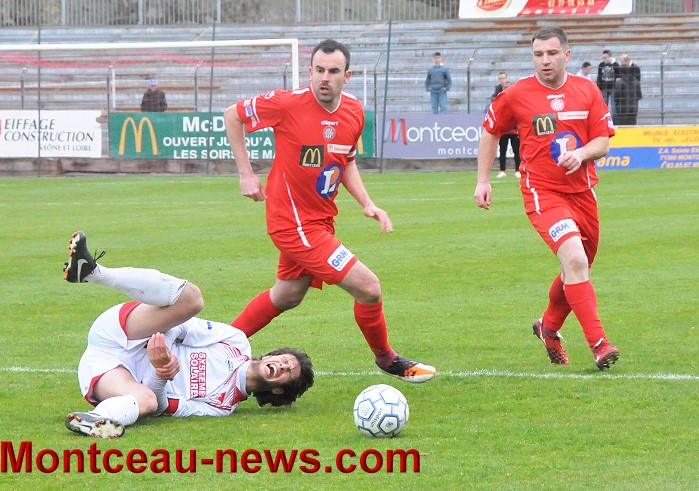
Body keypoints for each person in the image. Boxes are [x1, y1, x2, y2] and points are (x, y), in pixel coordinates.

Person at [223, 39, 435, 383]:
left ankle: (216, 346)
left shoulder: (354, 111)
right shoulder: (287, 103)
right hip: (293, 223)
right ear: (309, 71)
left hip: (320, 221)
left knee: (287, 295)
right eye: (319, 70)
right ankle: (387, 358)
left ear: (346, 76)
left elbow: (346, 161)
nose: (325, 77)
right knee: (369, 288)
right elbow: (232, 115)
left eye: (333, 71)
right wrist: (246, 174)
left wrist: (367, 203)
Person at [62, 231, 314, 438]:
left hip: (110, 373)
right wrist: (163, 349)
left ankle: (96, 420)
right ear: (270, 355)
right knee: (192, 299)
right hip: (126, 332)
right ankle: (94, 272)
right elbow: (182, 326)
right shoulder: (235, 341)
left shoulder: (221, 407)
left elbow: (162, 407)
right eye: (284, 360)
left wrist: (161, 372)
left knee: (147, 402)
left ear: (279, 390)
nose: (283, 366)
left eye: (288, 372)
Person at [474, 27, 620, 370]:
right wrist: (482, 180)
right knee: (575, 259)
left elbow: (603, 142)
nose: (545, 60)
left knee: (577, 268)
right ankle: (599, 344)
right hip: (542, 192)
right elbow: (491, 131)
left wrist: (581, 153)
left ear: (566, 55)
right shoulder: (516, 94)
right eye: (538, 54)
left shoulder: (587, 90)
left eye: (552, 53)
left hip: (583, 193)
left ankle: (548, 328)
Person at [491, 72, 521, 179]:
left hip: (514, 128)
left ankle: (518, 170)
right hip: (504, 128)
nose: (502, 80)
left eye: (503, 78)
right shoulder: (497, 91)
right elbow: (493, 101)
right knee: (502, 150)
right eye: (500, 78)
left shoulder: (514, 95)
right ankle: (502, 170)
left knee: (517, 150)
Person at [613, 54, 642, 125]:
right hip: (633, 107)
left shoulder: (619, 82)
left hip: (622, 108)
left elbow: (616, 96)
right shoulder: (636, 82)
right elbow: (639, 96)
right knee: (632, 125)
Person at [597, 50, 619, 116]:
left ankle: (614, 119)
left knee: (613, 104)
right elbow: (599, 76)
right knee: (604, 104)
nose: (604, 59)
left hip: (613, 87)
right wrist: (599, 87)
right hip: (604, 87)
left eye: (605, 57)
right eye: (603, 57)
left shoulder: (616, 65)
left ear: (610, 57)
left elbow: (618, 76)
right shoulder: (601, 65)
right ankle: (604, 118)